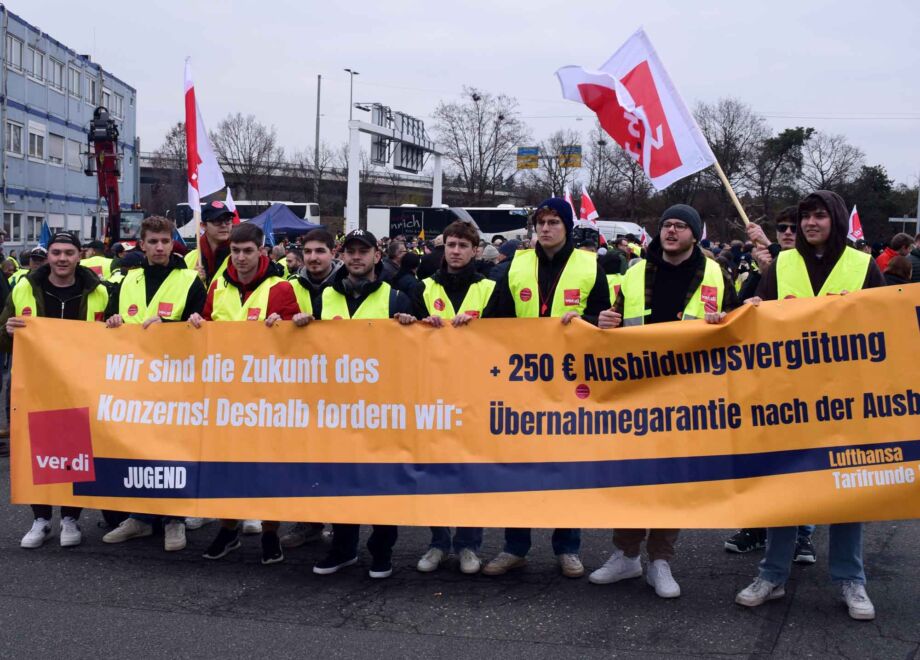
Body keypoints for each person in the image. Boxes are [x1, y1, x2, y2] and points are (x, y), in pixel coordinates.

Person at [737, 190, 884, 621]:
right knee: (785, 488)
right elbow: (756, 315)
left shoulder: (862, 265)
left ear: (835, 219)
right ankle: (772, 573)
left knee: (847, 493)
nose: (810, 224)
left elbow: (883, 327)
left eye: (819, 216)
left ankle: (850, 579)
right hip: (788, 398)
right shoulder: (783, 264)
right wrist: (750, 308)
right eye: (805, 217)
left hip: (846, 399)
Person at [592, 204, 735, 599]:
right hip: (636, 393)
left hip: (688, 397)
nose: (671, 231)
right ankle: (625, 554)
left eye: (680, 226)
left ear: (695, 234)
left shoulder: (716, 274)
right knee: (631, 477)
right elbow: (615, 322)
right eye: (666, 225)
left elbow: (739, 324)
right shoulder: (636, 273)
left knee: (672, 481)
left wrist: (731, 317)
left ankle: (660, 560)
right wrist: (606, 322)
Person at [481, 197, 611, 579]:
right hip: (524, 383)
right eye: (541, 221)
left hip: (572, 384)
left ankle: (568, 548)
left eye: (554, 221)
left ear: (567, 227)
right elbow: (494, 319)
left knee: (567, 469)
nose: (546, 228)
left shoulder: (590, 266)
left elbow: (606, 321)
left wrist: (587, 319)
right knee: (519, 469)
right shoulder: (517, 264)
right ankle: (515, 547)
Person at [190, 222, 304, 565]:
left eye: (247, 251)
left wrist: (286, 326)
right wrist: (197, 322)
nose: (240, 258)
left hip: (268, 394)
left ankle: (270, 531)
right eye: (235, 251)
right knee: (226, 463)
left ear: (262, 252)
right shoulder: (217, 286)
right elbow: (208, 329)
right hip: (227, 392)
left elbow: (296, 342)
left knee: (269, 464)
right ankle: (228, 527)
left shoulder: (281, 288)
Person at [312, 229, 417, 579]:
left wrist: (411, 325)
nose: (356, 257)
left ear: (377, 255)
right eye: (351, 251)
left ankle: (381, 550)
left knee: (382, 483)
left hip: (381, 408)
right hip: (338, 407)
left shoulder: (396, 298)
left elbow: (419, 350)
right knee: (341, 481)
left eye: (364, 251)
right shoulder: (327, 295)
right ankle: (343, 548)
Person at [99, 216, 208, 552]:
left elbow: (200, 330)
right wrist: (114, 322)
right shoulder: (127, 281)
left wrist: (172, 325)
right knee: (138, 451)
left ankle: (174, 520)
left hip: (176, 381)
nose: (159, 247)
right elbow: (112, 323)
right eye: (153, 242)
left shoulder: (190, 280)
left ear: (172, 243)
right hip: (135, 382)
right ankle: (141, 517)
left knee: (172, 453)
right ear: (141, 244)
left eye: (165, 241)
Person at [0, 232, 109, 548]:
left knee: (76, 451)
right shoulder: (24, 287)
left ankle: (71, 518)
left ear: (79, 256)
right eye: (57, 252)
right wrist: (8, 331)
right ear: (48, 256)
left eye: (69, 253)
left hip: (80, 382)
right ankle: (41, 518)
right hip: (35, 382)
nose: (62, 258)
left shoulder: (99, 292)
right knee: (39, 451)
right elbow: (3, 334)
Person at [411, 220, 495, 575]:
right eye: (451, 245)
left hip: (476, 393)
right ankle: (437, 542)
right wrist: (411, 323)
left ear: (475, 250)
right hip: (433, 392)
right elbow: (405, 335)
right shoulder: (423, 287)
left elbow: (507, 336)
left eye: (463, 245)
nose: (456, 251)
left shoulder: (491, 288)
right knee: (434, 471)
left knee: (470, 472)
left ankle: (468, 544)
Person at [184, 200, 233, 286]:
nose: (224, 225)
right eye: (217, 221)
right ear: (203, 226)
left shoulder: (238, 256)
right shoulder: (189, 258)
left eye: (228, 220)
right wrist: (195, 283)